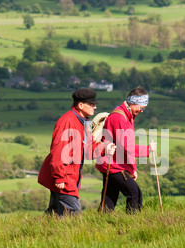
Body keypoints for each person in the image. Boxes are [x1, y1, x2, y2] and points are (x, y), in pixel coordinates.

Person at [38, 88, 116, 216]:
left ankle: (37, 233)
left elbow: (89, 150)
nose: (95, 107)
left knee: (55, 215)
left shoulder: (84, 122)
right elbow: (58, 151)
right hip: (64, 178)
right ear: (80, 105)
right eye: (91, 104)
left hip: (69, 177)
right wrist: (59, 178)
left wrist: (105, 148)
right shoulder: (67, 122)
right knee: (74, 215)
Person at [95, 86, 156, 214]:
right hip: (113, 164)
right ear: (133, 102)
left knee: (110, 197)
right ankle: (131, 223)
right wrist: (148, 150)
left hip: (111, 163)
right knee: (134, 193)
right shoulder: (120, 118)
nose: (141, 111)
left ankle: (102, 221)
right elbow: (126, 147)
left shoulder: (126, 115)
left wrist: (132, 169)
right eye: (141, 108)